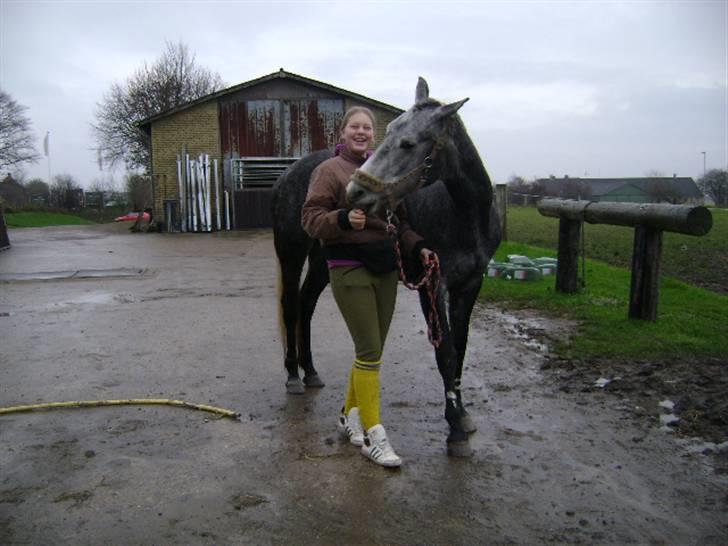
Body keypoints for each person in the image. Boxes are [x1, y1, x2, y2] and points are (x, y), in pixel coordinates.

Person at [301, 106, 436, 468]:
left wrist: (418, 246)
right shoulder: (328, 171)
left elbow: (401, 223)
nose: (361, 132)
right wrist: (343, 218)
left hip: (385, 268)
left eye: (367, 128)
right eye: (354, 127)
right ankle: (375, 435)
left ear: (373, 134)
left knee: (368, 353)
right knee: (370, 351)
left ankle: (349, 415)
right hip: (348, 266)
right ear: (342, 132)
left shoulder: (386, 169)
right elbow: (311, 220)